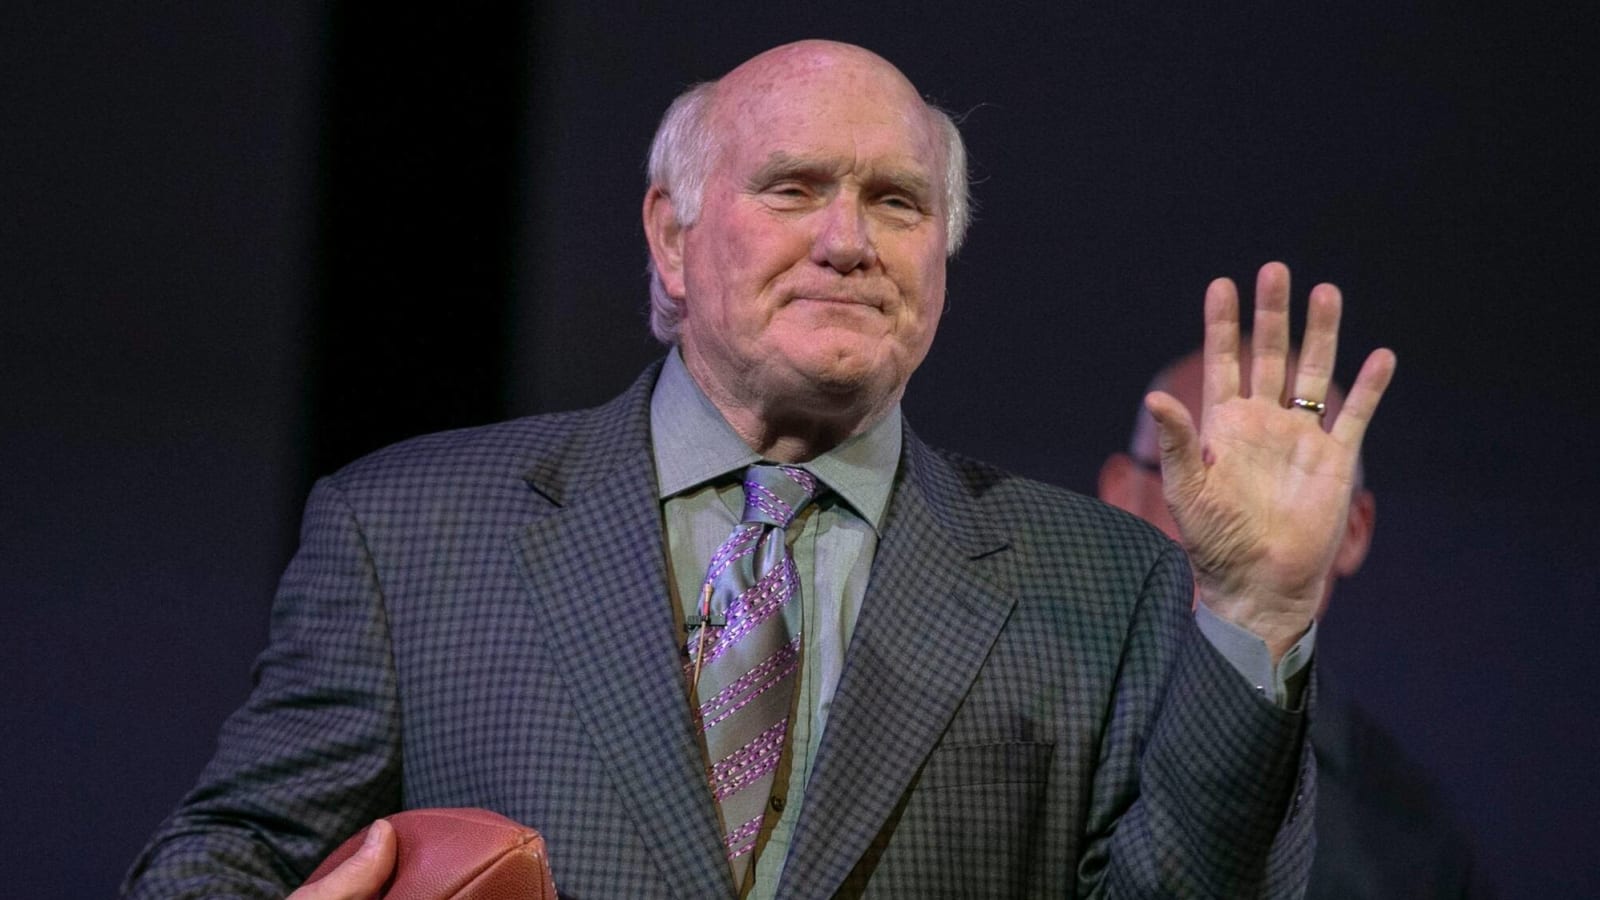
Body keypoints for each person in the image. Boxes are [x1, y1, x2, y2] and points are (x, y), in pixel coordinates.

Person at [124, 40, 1396, 899]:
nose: (847, 240)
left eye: (897, 203)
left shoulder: (1101, 579)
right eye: (793, 187)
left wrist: (1258, 616)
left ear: (941, 265)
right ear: (671, 238)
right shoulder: (402, 533)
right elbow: (225, 852)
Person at [1100, 347, 1494, 898]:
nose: (1236, 525)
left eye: (1289, 484)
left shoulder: (1417, 842)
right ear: (1120, 496)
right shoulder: (1004, 723)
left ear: (1352, 532)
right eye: (1198, 470)